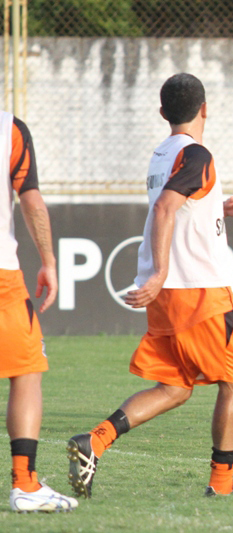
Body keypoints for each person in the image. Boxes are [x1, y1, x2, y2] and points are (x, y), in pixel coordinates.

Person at [66, 73, 233, 499]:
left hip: (171, 295)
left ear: (162, 113)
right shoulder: (197, 153)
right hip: (200, 290)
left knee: (174, 387)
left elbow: (174, 204)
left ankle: (93, 441)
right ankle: (222, 485)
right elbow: (169, 207)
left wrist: (217, 206)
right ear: (205, 109)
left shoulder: (162, 153)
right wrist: (159, 272)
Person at [1, 111, 79, 512]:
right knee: (27, 371)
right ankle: (26, 484)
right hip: (1, 275)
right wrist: (48, 259)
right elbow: (29, 197)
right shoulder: (7, 128)